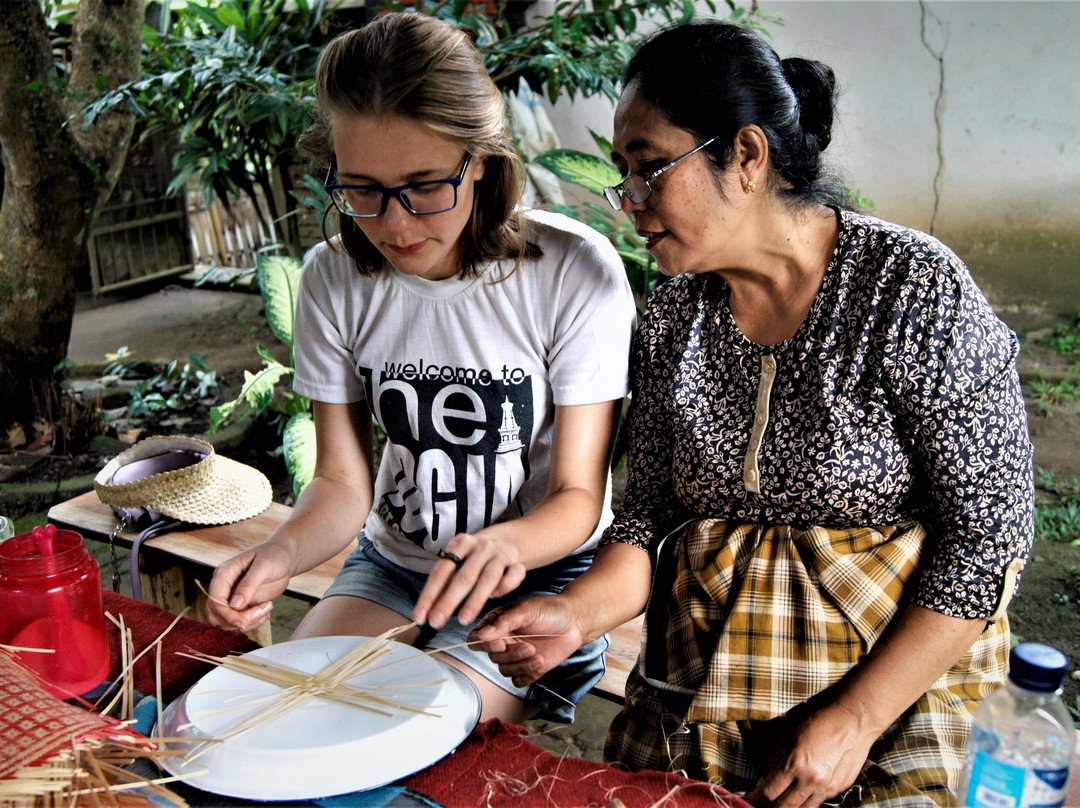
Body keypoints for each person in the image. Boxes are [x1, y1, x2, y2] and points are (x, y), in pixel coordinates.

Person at [470, 20, 1034, 808]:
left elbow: (989, 539)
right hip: (705, 682)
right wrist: (573, 615)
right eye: (621, 175)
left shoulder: (909, 291)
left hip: (896, 686)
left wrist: (855, 719)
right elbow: (645, 523)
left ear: (745, 155)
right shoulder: (673, 321)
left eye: (649, 169)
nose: (629, 202)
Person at [205, 13, 636, 726]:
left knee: (402, 733)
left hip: (543, 578)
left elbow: (578, 496)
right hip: (396, 565)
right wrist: (281, 553)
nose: (396, 223)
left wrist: (506, 544)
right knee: (286, 714)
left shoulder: (571, 272)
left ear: (483, 161)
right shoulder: (332, 279)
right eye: (362, 189)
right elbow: (344, 483)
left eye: (425, 185)